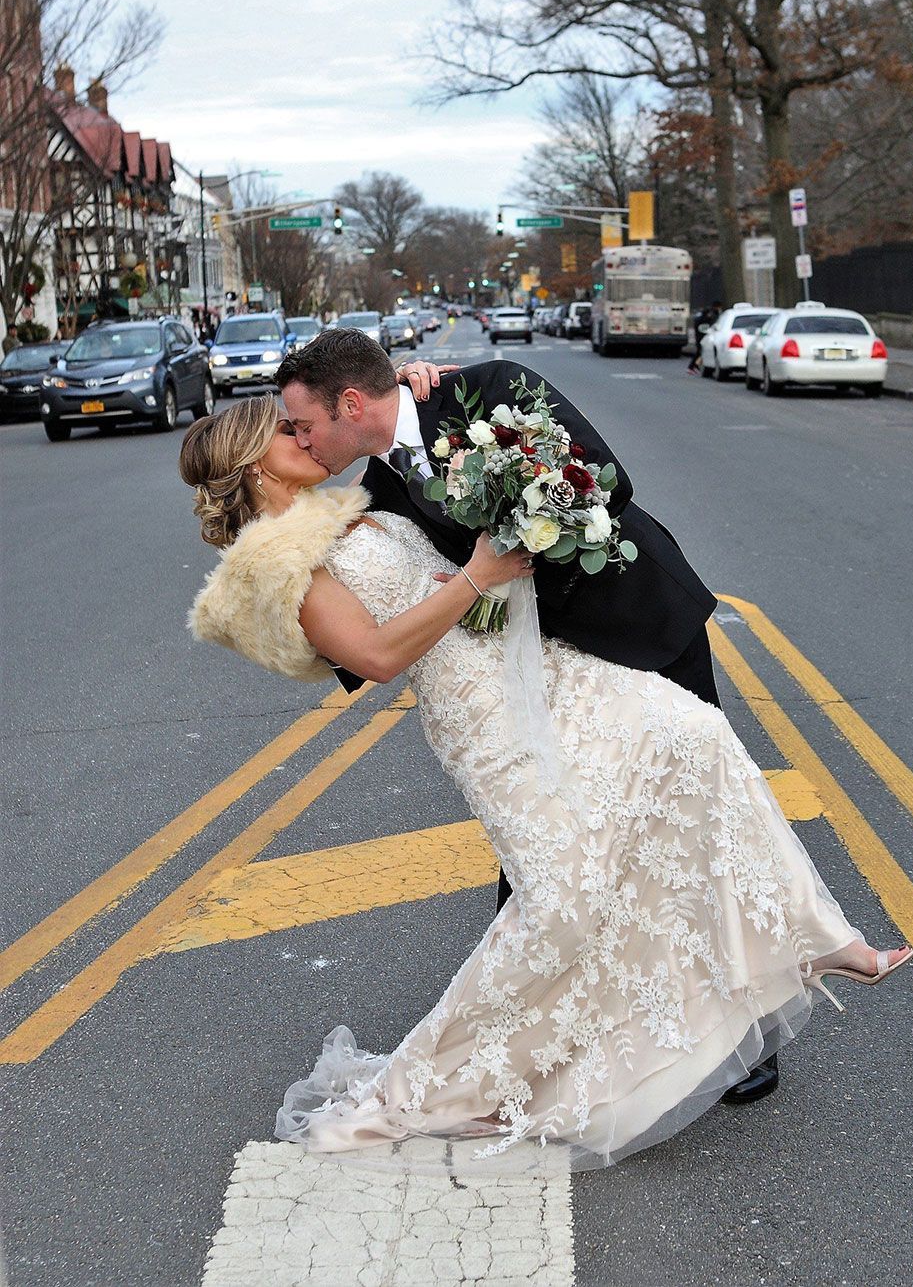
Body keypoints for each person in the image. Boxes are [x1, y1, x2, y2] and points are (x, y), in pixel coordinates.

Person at [180, 394, 913, 1172]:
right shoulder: (275, 560)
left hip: (548, 674)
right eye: (287, 434)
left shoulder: (348, 509)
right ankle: (445, 1087)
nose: (305, 437)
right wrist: (477, 577)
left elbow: (393, 434)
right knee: (563, 904)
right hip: (486, 720)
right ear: (255, 462)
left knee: (695, 736)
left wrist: (457, 457)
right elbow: (376, 656)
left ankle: (819, 942)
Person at [274, 330, 782, 1104]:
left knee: (695, 823)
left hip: (645, 623)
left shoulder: (493, 387)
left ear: (350, 403)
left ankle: (748, 1032)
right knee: (551, 850)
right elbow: (392, 595)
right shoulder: (377, 488)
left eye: (304, 424)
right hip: (550, 668)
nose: (302, 440)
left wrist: (515, 545)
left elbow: (606, 488)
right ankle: (541, 1033)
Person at [687, 299, 722, 374]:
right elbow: (708, 323)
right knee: (700, 352)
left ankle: (695, 366)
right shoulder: (710, 314)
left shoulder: (707, 312)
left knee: (700, 352)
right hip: (703, 335)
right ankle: (692, 366)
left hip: (702, 335)